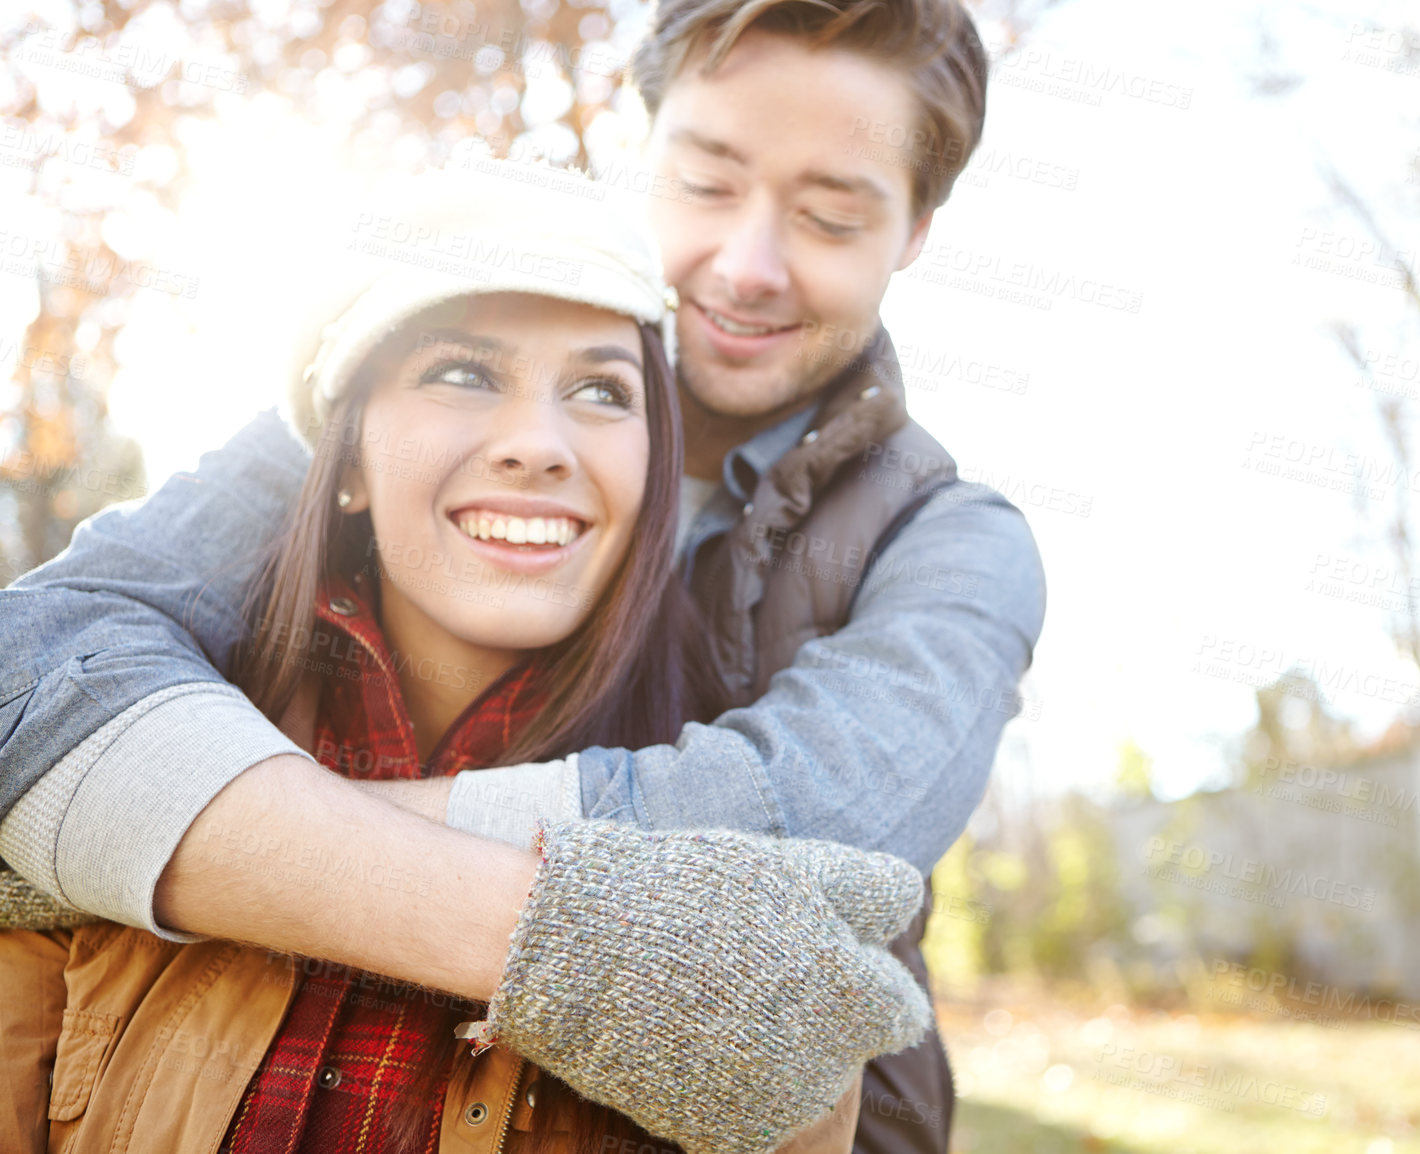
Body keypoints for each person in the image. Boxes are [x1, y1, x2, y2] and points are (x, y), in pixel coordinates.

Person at [0, 2, 1046, 1151]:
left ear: (914, 230)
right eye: (705, 184)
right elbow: (38, 662)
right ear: (643, 157)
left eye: (830, 215)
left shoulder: (950, 544)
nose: (745, 267)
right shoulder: (371, 383)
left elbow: (803, 830)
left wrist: (171, 825)